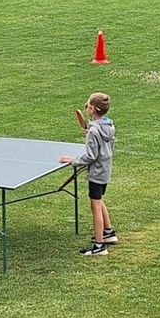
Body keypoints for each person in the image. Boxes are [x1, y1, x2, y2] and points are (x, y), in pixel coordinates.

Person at [59, 92, 117, 257]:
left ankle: (99, 246)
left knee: (95, 206)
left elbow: (91, 156)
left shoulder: (94, 131)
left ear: (93, 109)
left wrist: (73, 160)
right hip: (105, 169)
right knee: (99, 201)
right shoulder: (109, 126)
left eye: (87, 106)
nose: (86, 108)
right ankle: (108, 233)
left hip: (97, 172)